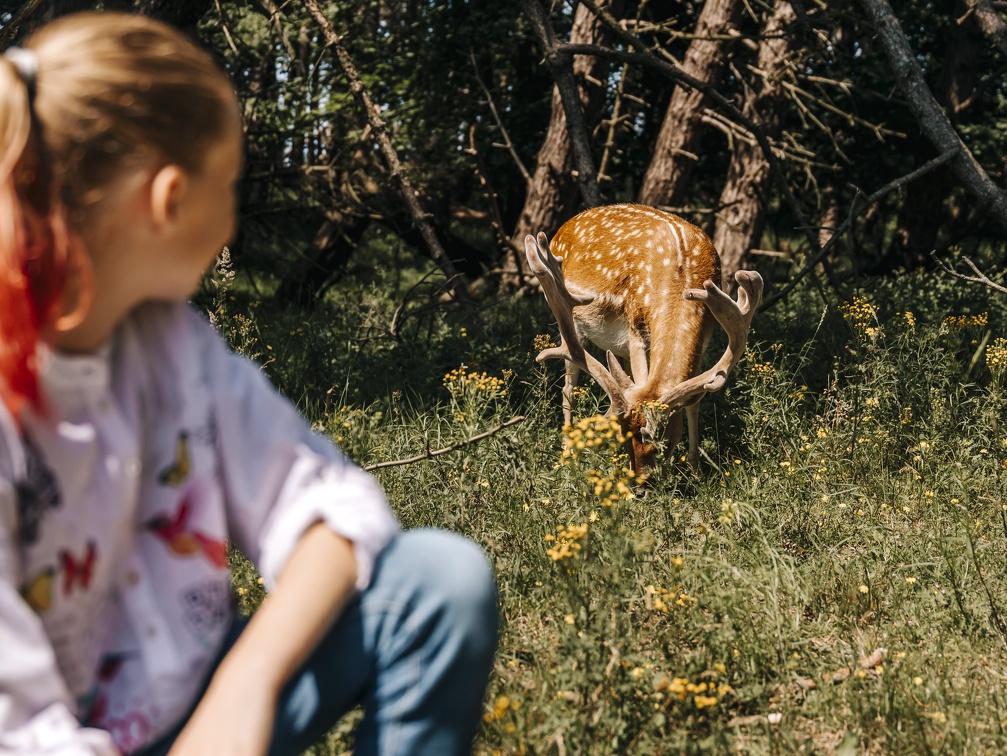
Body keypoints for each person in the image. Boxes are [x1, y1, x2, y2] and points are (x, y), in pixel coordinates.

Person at [0, 12, 498, 755]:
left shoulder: (173, 346)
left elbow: (332, 502)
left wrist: (247, 685)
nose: (231, 222)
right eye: (228, 185)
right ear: (168, 199)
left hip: (196, 704)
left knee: (438, 581)